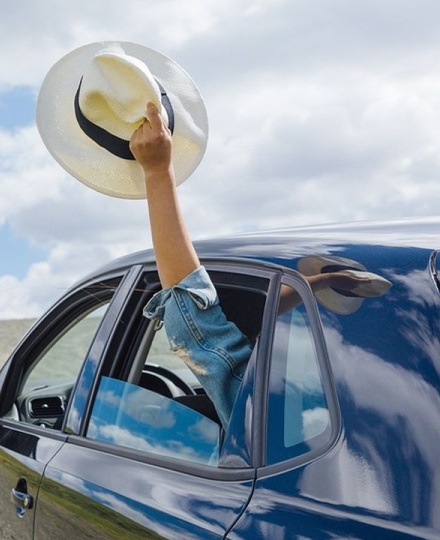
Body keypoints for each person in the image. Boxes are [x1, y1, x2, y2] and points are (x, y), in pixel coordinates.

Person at [129, 102, 372, 426]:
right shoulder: (367, 404)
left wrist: (158, 173)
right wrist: (319, 283)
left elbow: (196, 328)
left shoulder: (268, 418)